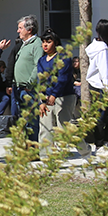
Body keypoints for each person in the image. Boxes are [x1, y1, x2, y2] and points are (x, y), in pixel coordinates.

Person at [36, 29, 85, 160]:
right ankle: (46, 156)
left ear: (56, 42)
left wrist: (53, 95)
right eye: (43, 42)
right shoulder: (41, 60)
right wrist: (42, 100)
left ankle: (85, 151)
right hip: (47, 98)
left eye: (49, 42)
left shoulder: (63, 57)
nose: (45, 45)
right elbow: (40, 80)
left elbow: (62, 79)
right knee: (45, 126)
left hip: (65, 96)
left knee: (66, 127)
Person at [85, 19, 108, 150]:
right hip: (102, 86)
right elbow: (105, 71)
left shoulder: (96, 46)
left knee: (102, 115)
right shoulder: (102, 50)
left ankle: (102, 141)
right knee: (106, 115)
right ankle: (101, 142)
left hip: (96, 85)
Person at [12, 15, 44, 142]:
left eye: (20, 28)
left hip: (29, 90)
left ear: (29, 29)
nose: (18, 31)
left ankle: (33, 149)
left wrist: (30, 83)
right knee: (23, 120)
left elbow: (38, 65)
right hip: (19, 88)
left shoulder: (37, 44)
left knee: (31, 121)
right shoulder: (24, 44)